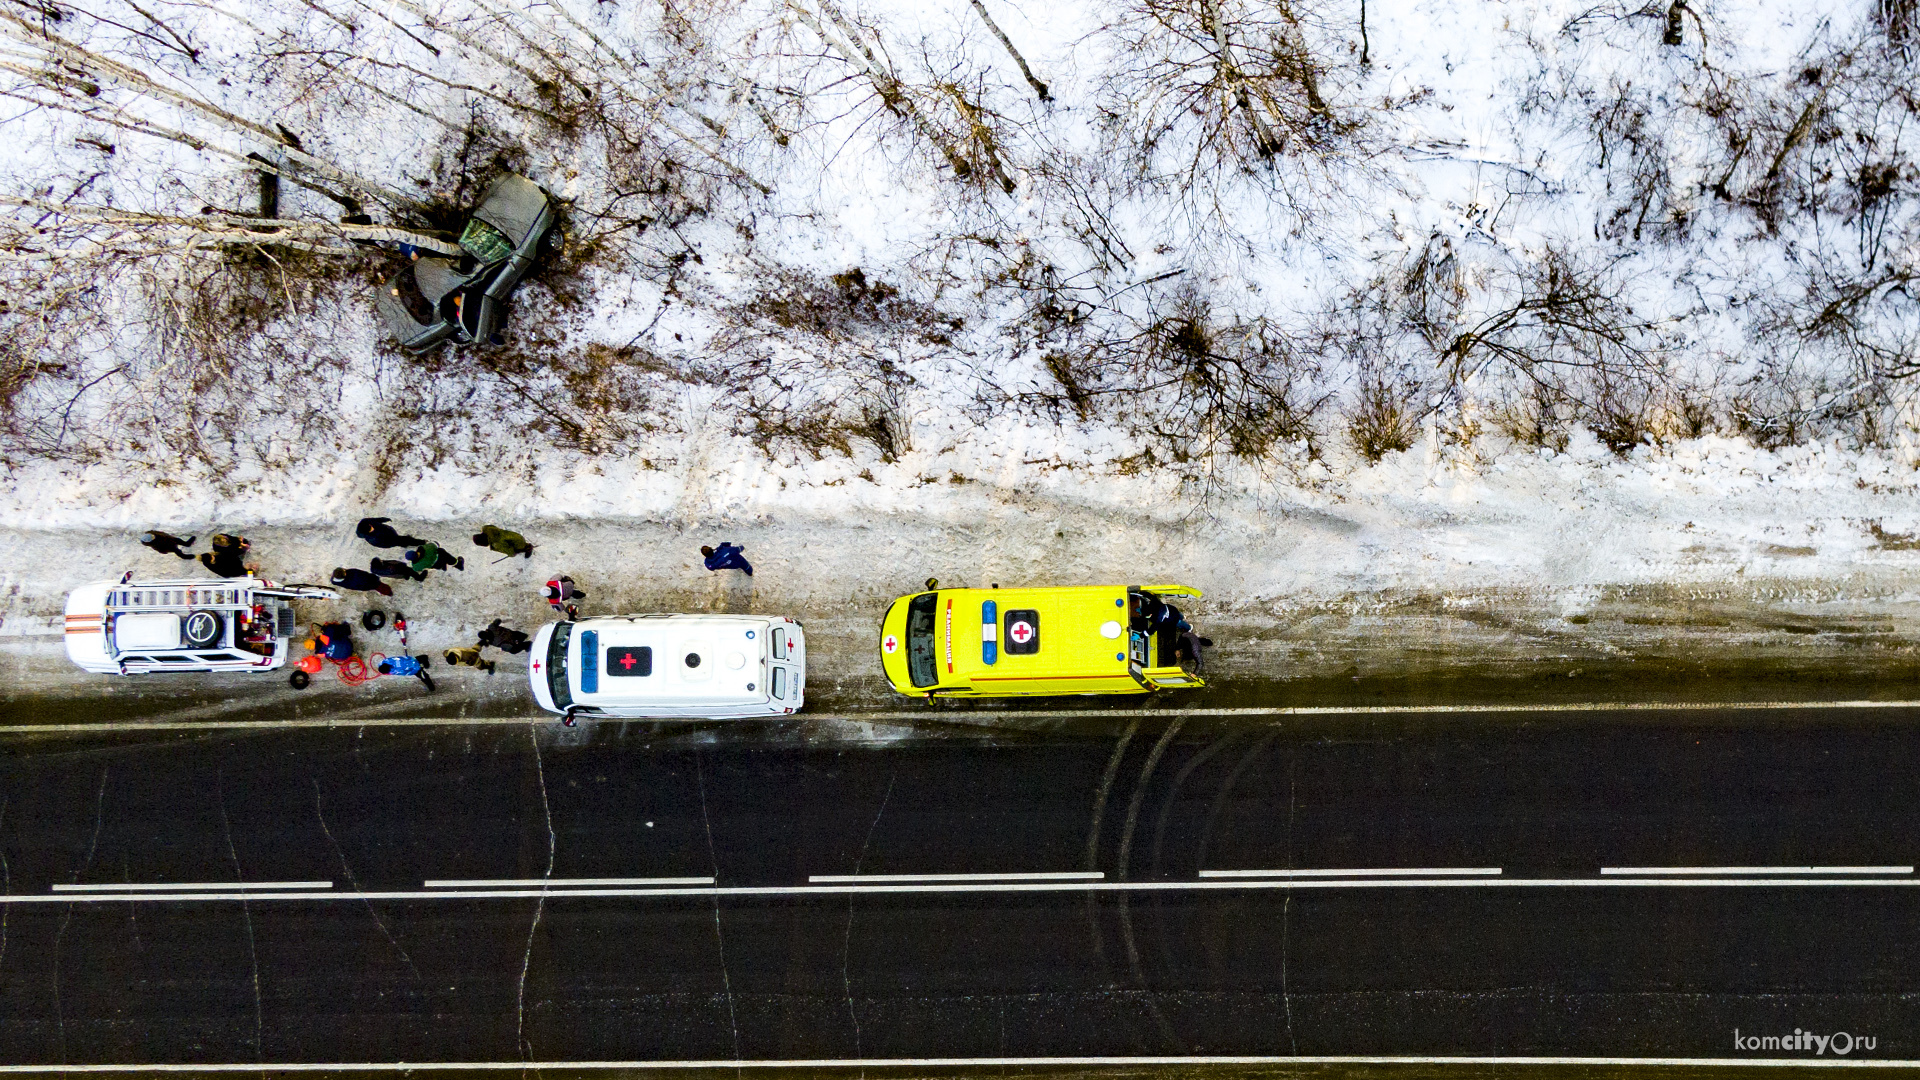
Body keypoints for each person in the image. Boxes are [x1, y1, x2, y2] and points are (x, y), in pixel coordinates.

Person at [356, 517, 426, 550]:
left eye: (371, 526)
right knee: (404, 540)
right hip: (390, 540)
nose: (373, 528)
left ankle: (408, 542)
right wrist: (397, 541)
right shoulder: (374, 539)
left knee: (403, 540)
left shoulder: (365, 521)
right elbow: (387, 544)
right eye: (371, 530)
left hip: (389, 532)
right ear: (367, 533)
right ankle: (421, 542)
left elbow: (376, 520)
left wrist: (384, 519)